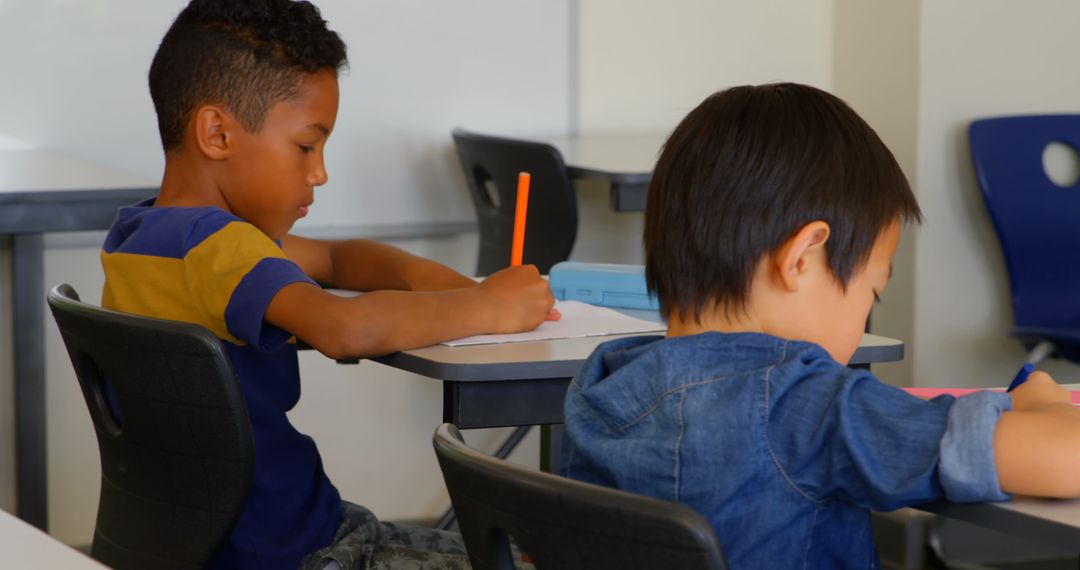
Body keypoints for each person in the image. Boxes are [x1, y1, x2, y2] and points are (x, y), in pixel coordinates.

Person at [100, 1, 555, 568]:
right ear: (217, 132)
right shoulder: (225, 249)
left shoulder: (144, 239)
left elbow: (339, 261)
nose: (319, 172)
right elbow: (344, 328)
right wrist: (486, 308)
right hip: (300, 552)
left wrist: (450, 286)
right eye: (305, 146)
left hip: (208, 544)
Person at [560, 82, 1080, 569]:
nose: (862, 324)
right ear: (803, 258)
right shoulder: (806, 404)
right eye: (870, 295)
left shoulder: (598, 388)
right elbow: (1064, 459)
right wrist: (1046, 406)